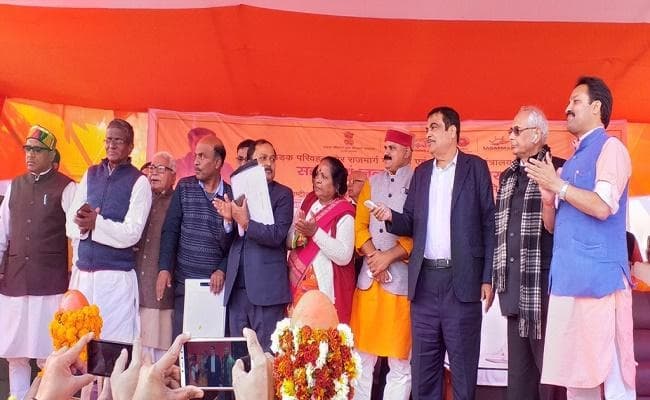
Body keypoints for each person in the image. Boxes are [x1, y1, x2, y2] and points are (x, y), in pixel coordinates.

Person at [372, 106, 495, 400]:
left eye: (434, 127)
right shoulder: (422, 172)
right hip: (424, 283)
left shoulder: (475, 168)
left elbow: (489, 224)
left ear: (452, 132)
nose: (428, 134)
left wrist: (487, 276)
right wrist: (390, 216)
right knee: (424, 372)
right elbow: (410, 221)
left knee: (463, 372)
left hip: (461, 282)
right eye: (427, 128)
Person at [526, 76, 636, 399]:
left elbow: (602, 206)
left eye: (575, 101)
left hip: (600, 283)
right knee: (576, 382)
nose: (567, 108)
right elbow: (552, 227)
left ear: (596, 107)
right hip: (566, 283)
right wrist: (548, 199)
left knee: (612, 383)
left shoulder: (611, 149)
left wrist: (559, 186)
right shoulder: (571, 161)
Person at [492, 106, 565, 400]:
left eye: (516, 130)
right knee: (519, 377)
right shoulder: (508, 176)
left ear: (536, 135)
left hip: (544, 286)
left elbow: (562, 228)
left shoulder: (558, 169)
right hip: (514, 285)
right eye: (511, 130)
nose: (511, 136)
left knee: (550, 373)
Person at [0, 126, 75, 400]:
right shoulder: (15, 186)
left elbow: (76, 236)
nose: (30, 155)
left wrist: (76, 280)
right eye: (28, 149)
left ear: (52, 154)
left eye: (37, 150)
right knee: (15, 354)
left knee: (49, 356)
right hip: (15, 282)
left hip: (50, 284)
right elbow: (2, 232)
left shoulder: (67, 187)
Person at [67, 118, 152, 343]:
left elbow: (132, 233)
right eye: (108, 140)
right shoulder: (91, 174)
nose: (111, 145)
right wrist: (82, 223)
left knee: (112, 345)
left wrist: (97, 223)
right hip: (83, 275)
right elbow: (70, 222)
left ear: (130, 147)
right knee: (79, 343)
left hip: (115, 278)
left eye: (118, 141)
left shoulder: (139, 182)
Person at [349, 129, 414, 400]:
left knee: (399, 362)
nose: (386, 152)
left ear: (407, 153)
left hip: (400, 285)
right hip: (370, 280)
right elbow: (360, 226)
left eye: (393, 148)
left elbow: (420, 231)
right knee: (362, 358)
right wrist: (375, 257)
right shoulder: (372, 182)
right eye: (385, 147)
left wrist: (388, 258)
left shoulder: (419, 182)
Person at [216, 139, 293, 350]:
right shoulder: (236, 193)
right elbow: (226, 244)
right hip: (236, 291)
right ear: (249, 164)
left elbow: (277, 235)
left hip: (266, 292)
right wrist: (228, 221)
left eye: (272, 159)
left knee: (266, 358)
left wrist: (246, 223)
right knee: (238, 357)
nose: (269, 163)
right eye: (263, 158)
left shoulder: (283, 194)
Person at [159, 135, 234, 337]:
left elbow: (237, 243)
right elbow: (170, 230)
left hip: (216, 289)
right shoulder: (184, 187)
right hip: (185, 285)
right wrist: (164, 268)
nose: (196, 162)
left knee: (212, 349)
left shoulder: (231, 196)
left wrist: (222, 269)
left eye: (202, 156)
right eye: (195, 156)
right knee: (181, 345)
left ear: (218, 163)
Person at [286, 156, 356, 323]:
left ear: (337, 185)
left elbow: (344, 255)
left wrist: (315, 232)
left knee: (318, 335)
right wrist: (298, 236)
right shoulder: (309, 201)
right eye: (317, 174)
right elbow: (288, 241)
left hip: (323, 289)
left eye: (324, 177)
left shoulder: (345, 213)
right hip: (297, 283)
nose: (317, 180)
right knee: (296, 333)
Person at [134, 152, 176, 361]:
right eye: (152, 168)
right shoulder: (142, 199)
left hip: (160, 284)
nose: (154, 174)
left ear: (173, 176)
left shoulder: (176, 202)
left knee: (158, 354)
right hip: (135, 284)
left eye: (161, 169)